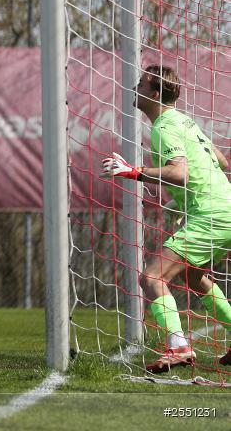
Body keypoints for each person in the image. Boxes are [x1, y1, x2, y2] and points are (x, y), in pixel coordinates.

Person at [101, 65, 231, 374]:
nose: (136, 88)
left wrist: (133, 171)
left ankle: (179, 347)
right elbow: (221, 161)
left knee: (152, 278)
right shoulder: (185, 121)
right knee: (192, 277)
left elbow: (180, 173)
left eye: (142, 84)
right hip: (223, 209)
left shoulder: (163, 126)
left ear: (155, 93)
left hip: (210, 215)